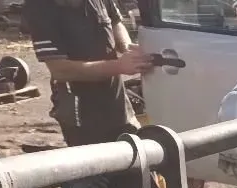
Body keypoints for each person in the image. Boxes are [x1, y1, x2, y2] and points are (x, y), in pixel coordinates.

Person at [22, 0, 153, 146]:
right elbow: (61, 70)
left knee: (136, 159)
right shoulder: (40, 7)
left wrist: (129, 49)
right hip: (82, 116)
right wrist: (119, 66)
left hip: (118, 105)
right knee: (99, 165)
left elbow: (116, 23)